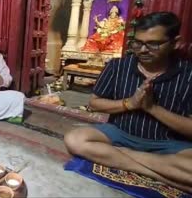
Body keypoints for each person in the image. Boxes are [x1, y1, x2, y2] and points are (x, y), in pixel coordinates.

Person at [64, 12, 192, 192]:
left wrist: (152, 108)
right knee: (75, 139)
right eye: (138, 43)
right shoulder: (118, 66)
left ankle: (123, 158)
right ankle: (157, 172)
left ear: (175, 43)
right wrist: (129, 104)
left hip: (168, 143)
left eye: (153, 44)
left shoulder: (188, 74)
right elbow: (95, 103)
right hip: (120, 134)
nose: (143, 50)